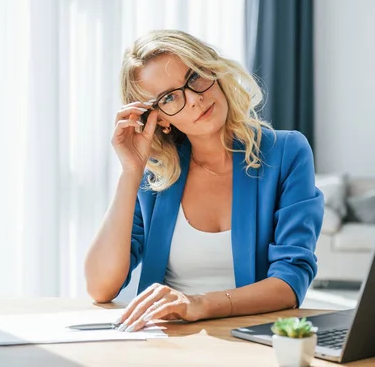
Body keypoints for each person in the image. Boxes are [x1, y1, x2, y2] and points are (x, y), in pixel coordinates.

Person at [84, 30, 324, 333]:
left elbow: (289, 284)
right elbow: (101, 288)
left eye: (195, 76)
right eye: (170, 98)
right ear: (159, 119)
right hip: (165, 340)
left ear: (213, 69)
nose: (196, 99)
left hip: (252, 340)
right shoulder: (155, 175)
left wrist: (198, 305)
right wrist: (130, 172)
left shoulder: (286, 152)